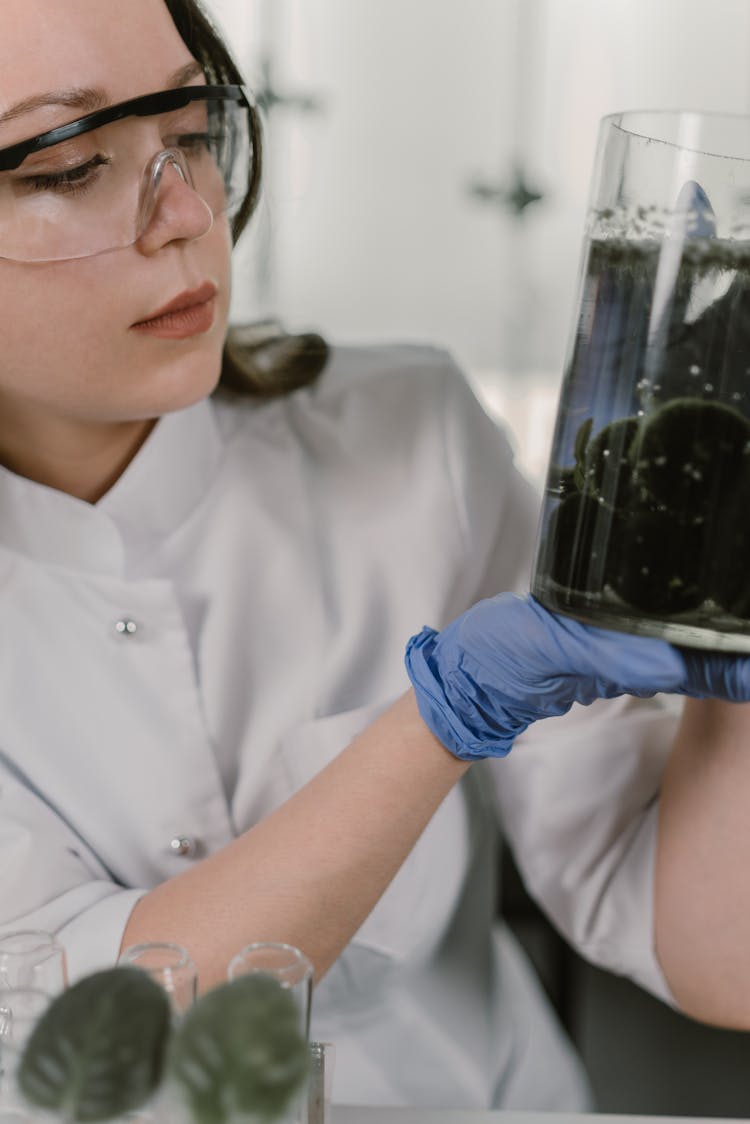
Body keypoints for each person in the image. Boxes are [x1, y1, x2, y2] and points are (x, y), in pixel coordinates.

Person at [2, 0, 750, 1110]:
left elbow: (710, 954)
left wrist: (728, 617)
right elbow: (82, 1046)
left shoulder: (415, 436)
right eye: (70, 165)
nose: (189, 211)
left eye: (193, 128)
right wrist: (438, 719)